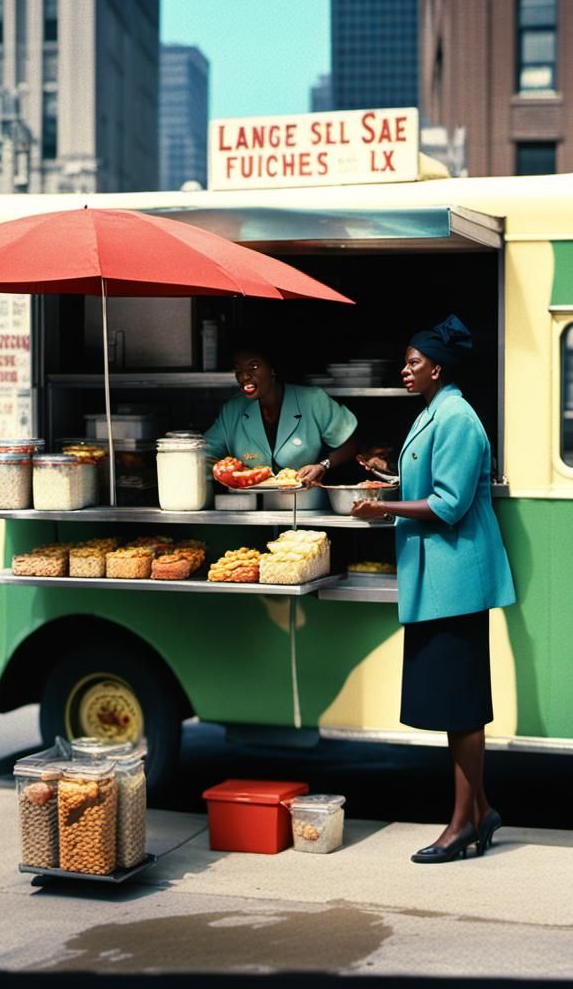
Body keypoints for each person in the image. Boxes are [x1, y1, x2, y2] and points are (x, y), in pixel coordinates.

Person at [352, 314, 515, 864]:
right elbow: (432, 483)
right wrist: (391, 478)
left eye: (412, 363)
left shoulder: (457, 418)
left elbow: (448, 506)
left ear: (437, 368)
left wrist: (383, 508)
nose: (404, 370)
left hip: (456, 580)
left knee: (462, 708)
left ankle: (461, 826)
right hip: (437, 579)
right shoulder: (434, 412)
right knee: (453, 703)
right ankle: (482, 811)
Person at [204, 340, 359, 484]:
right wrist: (224, 471)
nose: (244, 376)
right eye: (238, 369)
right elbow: (204, 454)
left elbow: (350, 445)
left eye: (254, 367)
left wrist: (323, 465)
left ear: (273, 369)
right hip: (249, 506)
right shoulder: (233, 410)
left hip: (305, 503)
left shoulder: (312, 400)